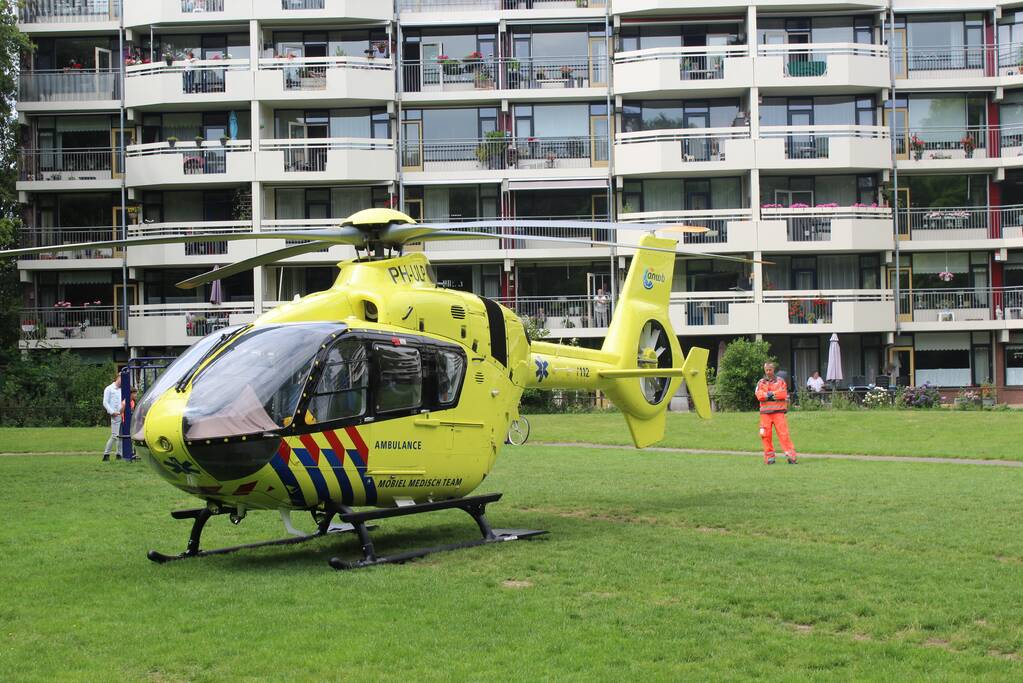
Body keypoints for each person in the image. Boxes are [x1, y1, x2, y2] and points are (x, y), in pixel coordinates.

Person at [755, 361, 798, 465]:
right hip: (765, 414)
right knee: (765, 436)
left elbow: (782, 394)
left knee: (784, 435)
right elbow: (759, 395)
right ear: (764, 370)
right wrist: (772, 395)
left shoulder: (781, 381)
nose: (768, 372)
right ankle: (769, 458)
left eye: (770, 370)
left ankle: (791, 457)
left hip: (779, 413)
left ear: (773, 369)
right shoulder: (760, 382)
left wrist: (767, 395)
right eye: (766, 370)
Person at [102, 373, 122, 461]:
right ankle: (106, 454)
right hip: (115, 415)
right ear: (118, 377)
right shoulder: (109, 388)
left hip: (122, 414)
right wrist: (112, 412)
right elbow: (105, 402)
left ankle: (119, 454)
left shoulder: (122, 389)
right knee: (115, 436)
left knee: (121, 435)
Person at [120, 388, 139, 462]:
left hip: (132, 422)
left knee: (132, 437)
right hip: (126, 423)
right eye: (135, 394)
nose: (136, 395)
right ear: (131, 394)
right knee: (127, 438)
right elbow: (121, 411)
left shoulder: (133, 402)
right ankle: (126, 454)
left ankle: (133, 453)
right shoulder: (125, 402)